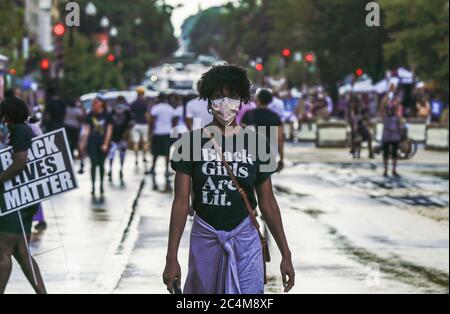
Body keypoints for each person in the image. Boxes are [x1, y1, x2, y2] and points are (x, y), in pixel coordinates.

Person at [163, 64, 295, 294]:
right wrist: (171, 257)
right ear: (208, 100)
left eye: (232, 96)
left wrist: (286, 254)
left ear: (242, 99)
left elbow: (268, 203)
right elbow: (181, 203)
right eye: (218, 96)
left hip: (246, 239)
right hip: (205, 239)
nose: (225, 102)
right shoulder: (189, 144)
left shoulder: (256, 143)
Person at [0, 97, 47, 294]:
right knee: (23, 254)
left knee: (2, 253)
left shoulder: (19, 131)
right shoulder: (24, 130)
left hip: (15, 203)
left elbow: (20, 162)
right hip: (24, 201)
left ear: (7, 115)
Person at [242, 88, 285, 172]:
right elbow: (279, 139)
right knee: (266, 179)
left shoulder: (249, 114)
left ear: (257, 99)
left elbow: (241, 133)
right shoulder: (275, 117)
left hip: (250, 152)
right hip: (269, 152)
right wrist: (282, 158)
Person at [81, 97, 113, 201]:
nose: (94, 104)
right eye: (93, 102)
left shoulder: (107, 115)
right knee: (93, 164)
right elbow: (87, 130)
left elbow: (109, 131)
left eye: (96, 102)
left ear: (102, 104)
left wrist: (105, 144)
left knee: (101, 164)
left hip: (102, 142)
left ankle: (101, 185)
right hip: (92, 142)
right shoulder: (90, 115)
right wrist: (83, 143)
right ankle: (94, 186)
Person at [147, 94, 178, 188]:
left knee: (155, 152)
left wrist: (150, 131)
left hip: (157, 132)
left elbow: (151, 120)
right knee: (166, 152)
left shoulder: (156, 108)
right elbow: (175, 119)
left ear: (158, 99)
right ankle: (166, 170)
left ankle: (153, 168)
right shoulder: (170, 108)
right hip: (167, 131)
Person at [108, 96, 132, 185]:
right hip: (114, 137)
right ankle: (111, 170)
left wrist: (127, 133)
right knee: (112, 155)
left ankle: (120, 169)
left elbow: (131, 123)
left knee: (121, 155)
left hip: (122, 137)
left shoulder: (127, 112)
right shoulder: (112, 111)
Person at [130, 87, 150, 166]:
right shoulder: (144, 103)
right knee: (145, 142)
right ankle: (144, 157)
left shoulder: (133, 103)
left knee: (136, 142)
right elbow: (146, 115)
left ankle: (136, 158)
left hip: (136, 124)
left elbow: (131, 114)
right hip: (144, 124)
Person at [382, 103, 403, 177]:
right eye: (388, 109)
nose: (390, 111)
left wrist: (400, 137)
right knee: (385, 154)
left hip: (395, 137)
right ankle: (385, 169)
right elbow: (382, 104)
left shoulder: (397, 117)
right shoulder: (385, 116)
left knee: (394, 154)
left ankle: (394, 169)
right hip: (386, 138)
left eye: (391, 109)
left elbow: (400, 126)